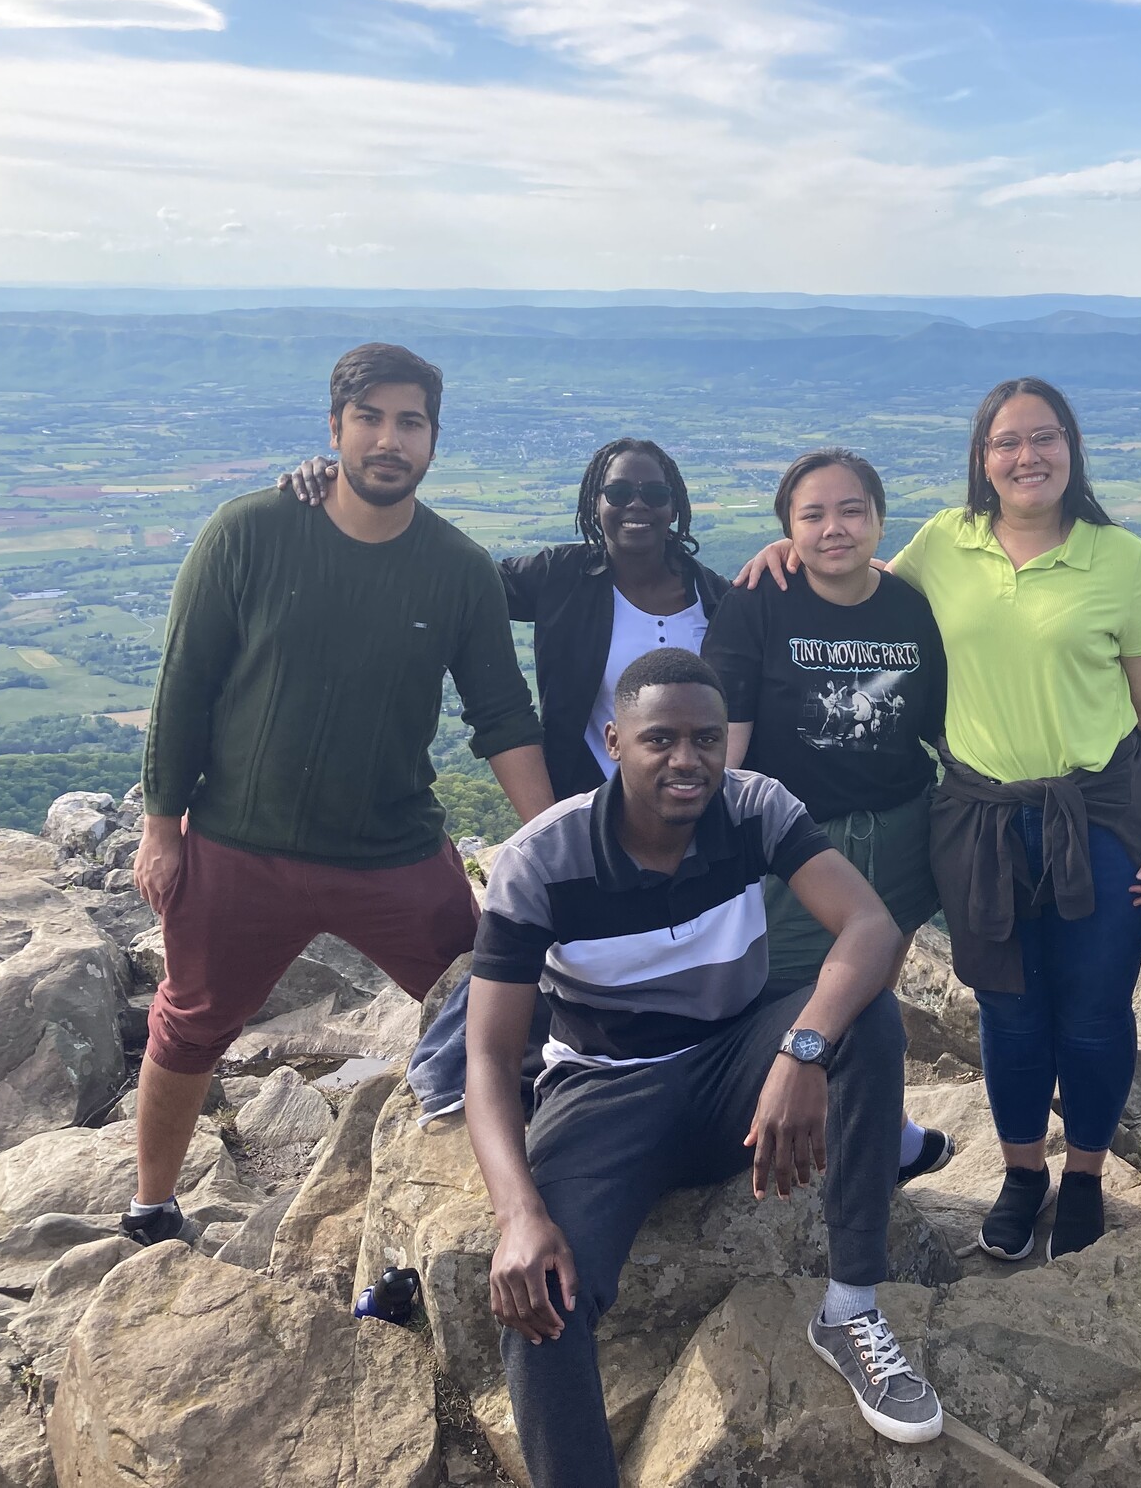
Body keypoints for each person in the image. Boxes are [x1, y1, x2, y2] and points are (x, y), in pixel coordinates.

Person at [737, 377, 1141, 1263]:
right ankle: (1021, 1170)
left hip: (1102, 815)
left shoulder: (1121, 557)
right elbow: (858, 580)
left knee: (1097, 1011)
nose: (1026, 457)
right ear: (980, 459)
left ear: (1072, 448)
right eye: (1006, 443)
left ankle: (1082, 1178)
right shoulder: (944, 543)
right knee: (1009, 1007)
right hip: (978, 815)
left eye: (1045, 438)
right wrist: (792, 544)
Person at [468, 649, 941, 1486]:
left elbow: (867, 924)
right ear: (614, 741)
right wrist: (517, 1214)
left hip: (737, 1068)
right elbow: (489, 1057)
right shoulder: (543, 860)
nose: (688, 760)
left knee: (863, 1016)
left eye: (707, 740)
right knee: (541, 1293)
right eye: (661, 740)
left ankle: (851, 1308)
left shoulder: (752, 807)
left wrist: (801, 1052)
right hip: (606, 1091)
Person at [126, 343, 553, 1245]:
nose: (389, 440)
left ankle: (519, 1193)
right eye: (370, 419)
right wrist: (163, 830)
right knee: (192, 1021)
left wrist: (556, 839)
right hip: (240, 843)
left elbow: (503, 716)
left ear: (434, 441)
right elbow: (184, 687)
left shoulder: (457, 568)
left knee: (487, 1002)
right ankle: (152, 1204)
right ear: (334, 428)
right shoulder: (248, 533)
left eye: (410, 423)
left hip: (393, 853)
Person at [703, 448, 955, 1183]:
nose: (833, 529)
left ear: (880, 521)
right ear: (788, 528)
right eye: (811, 515)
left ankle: (877, 1127)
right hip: (797, 842)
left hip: (899, 827)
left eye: (851, 511)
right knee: (783, 988)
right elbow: (729, 744)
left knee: (873, 994)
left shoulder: (911, 606)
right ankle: (771, 1123)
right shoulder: (759, 602)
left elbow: (940, 726)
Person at [280, 433, 730, 798]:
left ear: (674, 507)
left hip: (696, 805)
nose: (638, 504)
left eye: (654, 493)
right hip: (588, 806)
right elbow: (456, 575)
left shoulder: (718, 600)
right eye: (618, 492)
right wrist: (353, 490)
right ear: (595, 502)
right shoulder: (560, 576)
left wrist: (789, 544)